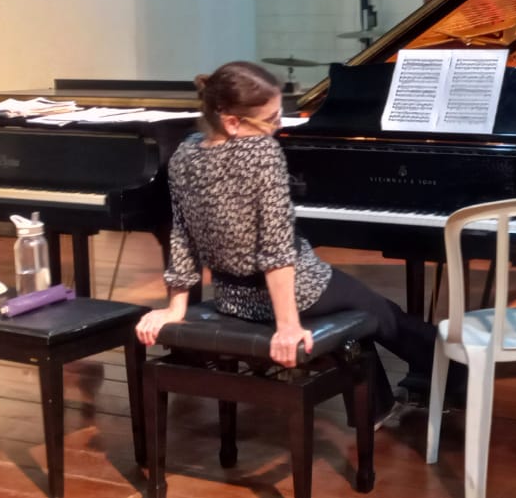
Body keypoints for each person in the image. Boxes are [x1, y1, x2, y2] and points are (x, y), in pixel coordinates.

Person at [133, 60, 462, 420]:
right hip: (295, 293)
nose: (278, 126)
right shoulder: (262, 154)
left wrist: (176, 306)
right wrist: (287, 325)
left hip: (232, 299)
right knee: (382, 312)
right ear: (232, 122)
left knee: (359, 312)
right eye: (271, 119)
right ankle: (461, 373)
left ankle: (377, 409)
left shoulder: (185, 153)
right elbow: (276, 252)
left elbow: (181, 233)